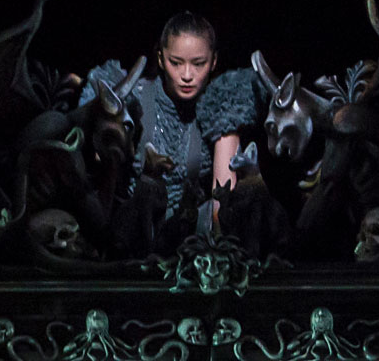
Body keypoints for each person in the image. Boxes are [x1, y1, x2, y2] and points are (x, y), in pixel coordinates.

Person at [82, 12, 263, 227]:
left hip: (191, 234)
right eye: (176, 63)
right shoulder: (135, 99)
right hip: (131, 228)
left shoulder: (222, 107)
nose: (187, 75)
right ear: (160, 58)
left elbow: (221, 203)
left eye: (198, 64)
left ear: (213, 61)